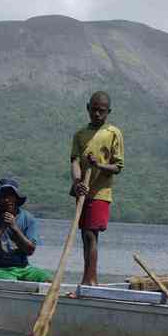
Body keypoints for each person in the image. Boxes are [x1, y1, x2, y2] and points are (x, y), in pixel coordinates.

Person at [70, 90, 124, 286]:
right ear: (87, 108)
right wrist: (77, 182)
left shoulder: (113, 133)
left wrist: (99, 165)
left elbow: (118, 166)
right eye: (94, 110)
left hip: (100, 192)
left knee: (92, 233)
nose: (97, 114)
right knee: (84, 234)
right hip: (82, 191)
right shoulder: (80, 134)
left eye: (102, 111)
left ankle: (91, 280)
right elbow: (75, 161)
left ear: (108, 111)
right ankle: (87, 278)